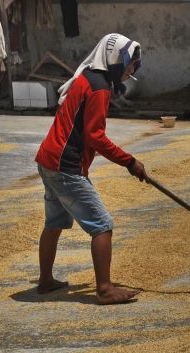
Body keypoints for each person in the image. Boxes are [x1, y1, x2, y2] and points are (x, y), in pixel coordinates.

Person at [34, 33, 148, 304]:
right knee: (102, 226)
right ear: (115, 58)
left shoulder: (87, 77)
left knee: (54, 223)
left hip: (48, 161)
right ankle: (105, 289)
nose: (132, 70)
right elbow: (95, 136)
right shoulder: (99, 87)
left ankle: (45, 280)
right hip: (64, 166)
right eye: (130, 63)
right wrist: (130, 162)